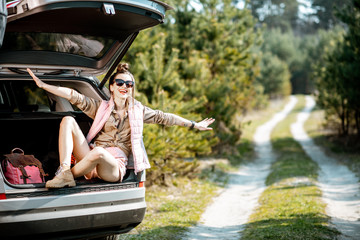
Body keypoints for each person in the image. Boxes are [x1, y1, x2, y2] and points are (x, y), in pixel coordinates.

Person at [27, 64, 215, 188]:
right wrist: (44, 86)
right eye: (120, 82)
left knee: (100, 153)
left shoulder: (138, 111)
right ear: (112, 87)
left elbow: (164, 117)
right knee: (68, 120)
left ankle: (66, 177)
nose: (125, 86)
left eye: (129, 84)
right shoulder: (100, 108)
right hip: (90, 156)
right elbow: (73, 95)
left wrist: (193, 124)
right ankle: (65, 171)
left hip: (113, 165)